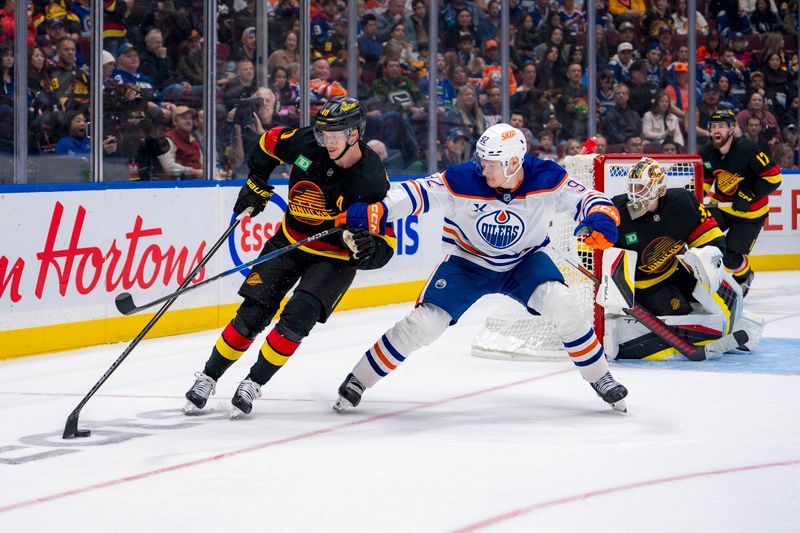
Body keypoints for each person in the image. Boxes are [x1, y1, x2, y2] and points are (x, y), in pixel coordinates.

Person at [331, 123, 629, 414]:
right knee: (424, 324)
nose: (483, 169)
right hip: (467, 262)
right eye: (482, 161)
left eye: (491, 164)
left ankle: (600, 377)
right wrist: (379, 210)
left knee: (564, 307)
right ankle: (359, 379)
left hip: (524, 262)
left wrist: (601, 217)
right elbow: (415, 193)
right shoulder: (463, 179)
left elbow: (591, 198)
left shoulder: (546, 176)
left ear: (514, 162)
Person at [183, 96, 396, 418]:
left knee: (298, 318)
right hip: (290, 240)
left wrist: (369, 250)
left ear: (355, 135)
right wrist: (257, 180)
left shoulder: (371, 177)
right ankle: (209, 376)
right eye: (323, 134)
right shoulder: (307, 142)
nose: (326, 142)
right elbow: (268, 143)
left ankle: (253, 382)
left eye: (334, 136)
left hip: (335, 257)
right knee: (252, 313)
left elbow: (386, 243)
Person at [602, 157, 762, 360]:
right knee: (682, 314)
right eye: (632, 187)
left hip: (675, 269)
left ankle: (741, 324)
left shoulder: (682, 203)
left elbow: (711, 238)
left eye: (641, 187)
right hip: (646, 285)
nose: (635, 193)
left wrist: (704, 256)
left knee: (716, 292)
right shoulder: (617, 211)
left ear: (659, 188)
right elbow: (593, 250)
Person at [700, 109, 782, 296]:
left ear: (731, 129)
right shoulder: (706, 151)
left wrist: (750, 195)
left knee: (731, 258)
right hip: (721, 207)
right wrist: (696, 194)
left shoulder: (748, 149)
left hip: (750, 214)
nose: (716, 130)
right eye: (713, 127)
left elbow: (774, 177)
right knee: (699, 238)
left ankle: (744, 277)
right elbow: (705, 177)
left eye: (721, 126)